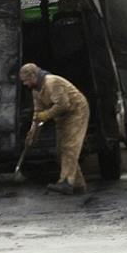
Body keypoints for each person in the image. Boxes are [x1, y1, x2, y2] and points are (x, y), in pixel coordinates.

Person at [19, 63, 90, 195]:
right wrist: (32, 135)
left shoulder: (52, 82)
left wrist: (46, 115)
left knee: (69, 147)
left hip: (76, 111)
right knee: (60, 150)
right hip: (61, 116)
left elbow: (63, 105)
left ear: (33, 75)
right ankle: (78, 184)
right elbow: (38, 112)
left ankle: (66, 182)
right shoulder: (36, 90)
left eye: (26, 81)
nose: (25, 84)